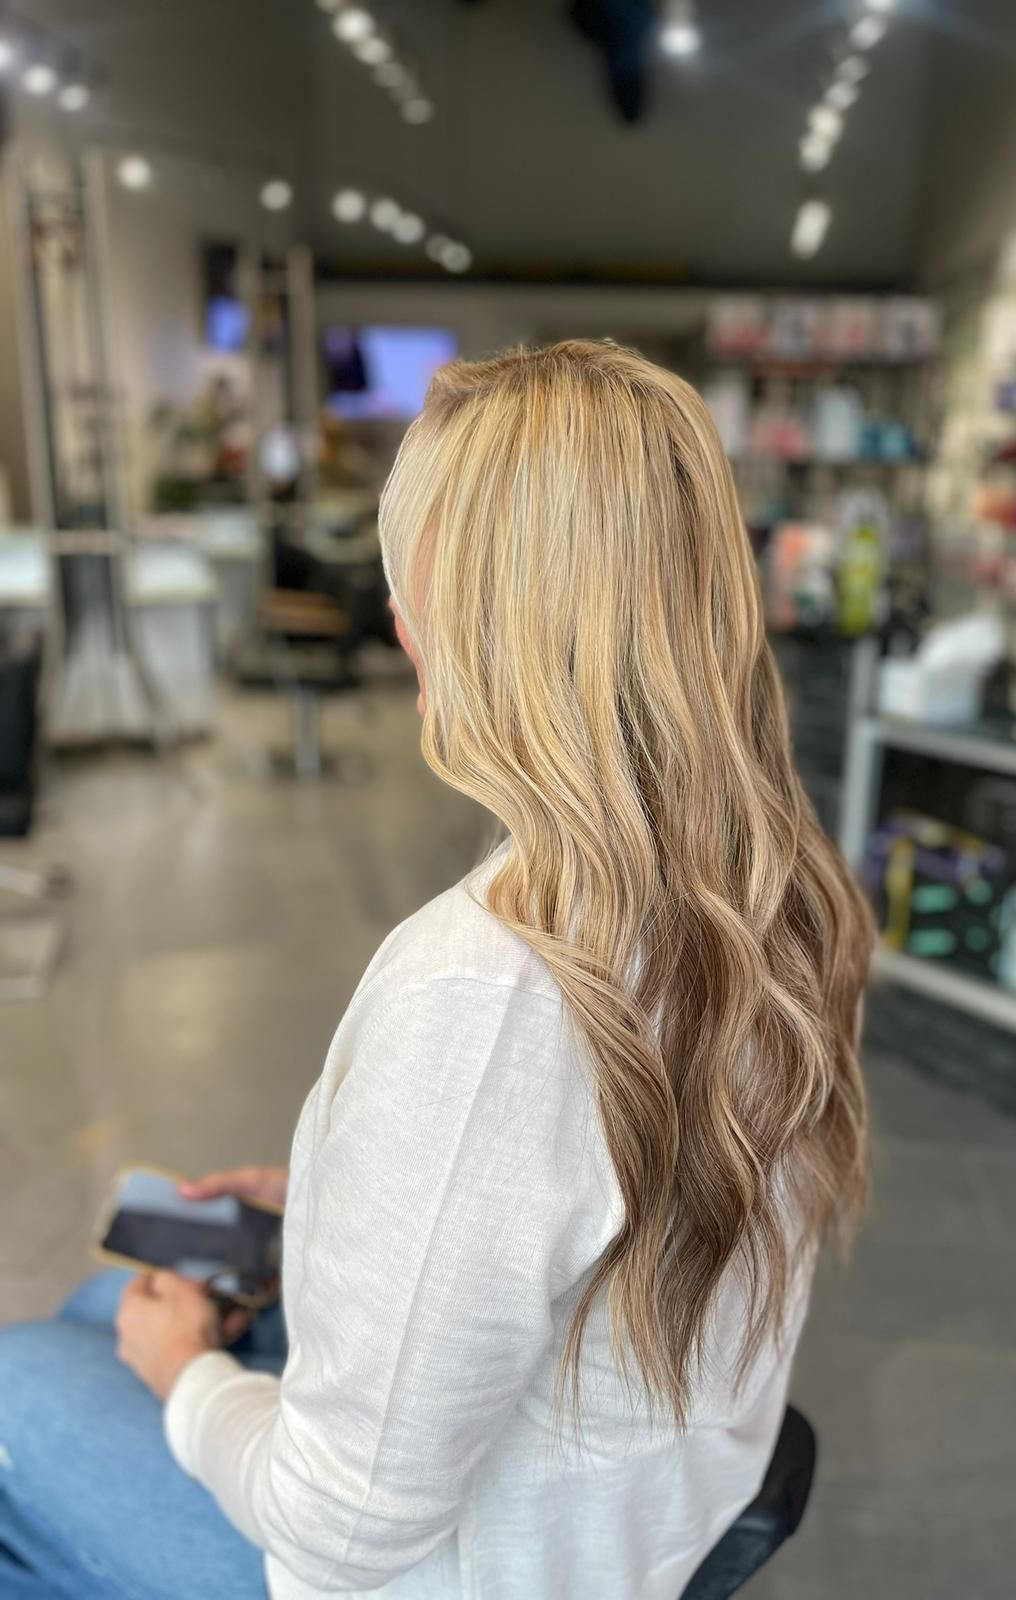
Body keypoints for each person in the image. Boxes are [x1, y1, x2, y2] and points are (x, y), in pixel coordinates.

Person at [0, 340, 872, 1599]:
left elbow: (339, 1529)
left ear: (473, 624)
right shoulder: (776, 892)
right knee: (97, 1312)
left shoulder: (491, 988)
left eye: (414, 580)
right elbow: (579, 1191)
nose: (398, 617)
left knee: (27, 1376)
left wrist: (189, 1375)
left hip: (466, 1577)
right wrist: (341, 1197)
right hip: (650, 1515)